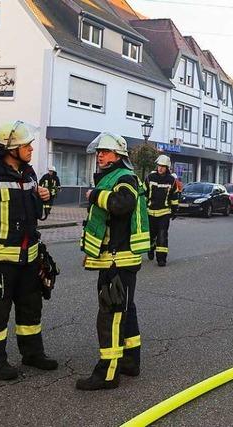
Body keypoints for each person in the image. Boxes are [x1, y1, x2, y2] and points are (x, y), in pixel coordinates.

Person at [0, 120, 58, 381]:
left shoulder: (29, 174)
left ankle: (32, 354)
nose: (30, 149)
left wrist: (45, 199)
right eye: (26, 145)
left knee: (31, 309)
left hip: (28, 259)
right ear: (10, 149)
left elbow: (37, 214)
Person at [79, 132, 150, 390]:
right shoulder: (112, 176)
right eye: (99, 152)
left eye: (105, 152)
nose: (100, 155)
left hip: (118, 259)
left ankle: (107, 373)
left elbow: (123, 204)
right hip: (114, 258)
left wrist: (94, 196)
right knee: (125, 310)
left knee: (110, 313)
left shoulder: (124, 177)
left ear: (118, 155)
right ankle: (130, 361)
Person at [145, 155, 179, 267]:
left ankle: (161, 259)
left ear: (167, 168)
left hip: (164, 212)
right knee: (150, 235)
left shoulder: (172, 181)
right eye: (159, 166)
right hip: (150, 212)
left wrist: (174, 210)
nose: (160, 168)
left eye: (163, 166)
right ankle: (151, 248)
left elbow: (174, 197)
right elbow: (144, 194)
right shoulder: (150, 177)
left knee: (162, 235)